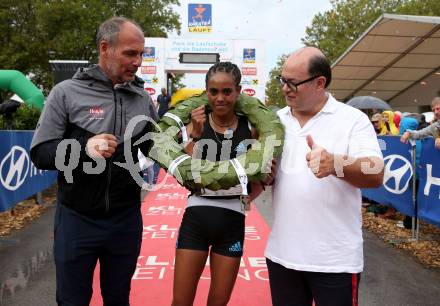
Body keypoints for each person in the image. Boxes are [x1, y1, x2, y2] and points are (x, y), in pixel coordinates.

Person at [30, 17, 158, 305]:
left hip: (126, 219)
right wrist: (82, 148)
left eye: (141, 54)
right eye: (130, 53)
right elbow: (40, 153)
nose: (138, 61)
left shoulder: (142, 98)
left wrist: (188, 141)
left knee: (118, 298)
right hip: (77, 218)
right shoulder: (65, 93)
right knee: (73, 300)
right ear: (105, 48)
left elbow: (156, 148)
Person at [265, 47, 384, 306]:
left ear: (320, 83)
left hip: (335, 262)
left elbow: (376, 173)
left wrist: (337, 165)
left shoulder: (353, 120)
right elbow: (268, 178)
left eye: (293, 83)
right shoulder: (275, 121)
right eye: (282, 80)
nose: (285, 88)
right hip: (282, 256)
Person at [171, 62, 272, 306]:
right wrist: (195, 135)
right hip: (196, 219)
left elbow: (263, 174)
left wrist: (251, 194)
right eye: (213, 91)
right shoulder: (194, 123)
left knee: (218, 302)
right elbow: (184, 172)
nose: (220, 98)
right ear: (206, 92)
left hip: (232, 223)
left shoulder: (252, 127)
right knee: (180, 302)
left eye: (227, 91)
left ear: (238, 91)